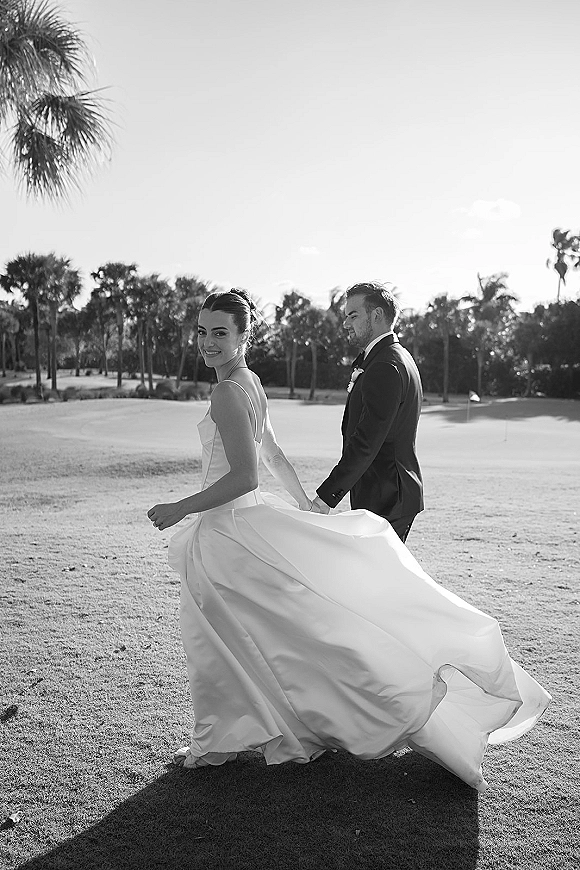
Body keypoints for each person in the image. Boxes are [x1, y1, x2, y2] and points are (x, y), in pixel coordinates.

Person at [148, 288, 550, 792]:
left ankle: (223, 740)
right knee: (262, 637)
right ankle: (237, 734)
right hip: (245, 527)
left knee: (219, 640)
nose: (207, 342)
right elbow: (273, 456)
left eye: (220, 332)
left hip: (227, 534)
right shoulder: (250, 383)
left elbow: (248, 475)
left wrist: (180, 507)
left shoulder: (228, 391)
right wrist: (305, 507)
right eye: (203, 331)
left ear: (243, 335)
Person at [312, 282, 423, 543]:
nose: (346, 324)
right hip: (385, 493)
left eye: (353, 315)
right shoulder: (394, 357)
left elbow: (366, 442)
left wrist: (327, 496)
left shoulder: (386, 365)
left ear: (377, 316)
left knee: (377, 580)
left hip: (386, 497)